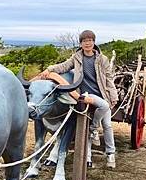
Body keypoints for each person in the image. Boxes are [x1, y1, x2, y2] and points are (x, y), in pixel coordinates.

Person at [40, 30, 119, 168]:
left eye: (90, 40)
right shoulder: (76, 58)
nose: (87, 43)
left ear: (94, 42)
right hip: (85, 95)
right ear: (81, 43)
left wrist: (113, 96)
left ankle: (110, 153)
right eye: (84, 41)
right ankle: (93, 130)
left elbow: (108, 79)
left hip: (102, 94)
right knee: (103, 109)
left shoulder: (102, 59)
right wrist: (49, 69)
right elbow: (63, 66)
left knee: (107, 124)